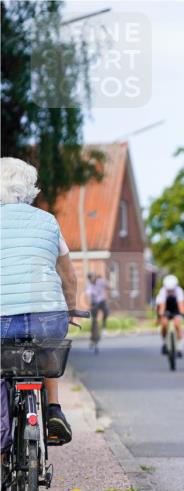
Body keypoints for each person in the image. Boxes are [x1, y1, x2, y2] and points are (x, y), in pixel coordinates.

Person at [0, 157, 79, 450]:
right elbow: (69, 276)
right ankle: (53, 409)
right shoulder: (48, 220)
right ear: (30, 187)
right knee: (46, 350)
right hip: (48, 314)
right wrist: (69, 310)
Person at [155, 274, 184, 356]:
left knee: (177, 324)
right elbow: (162, 305)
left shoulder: (179, 291)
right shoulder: (163, 291)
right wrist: (161, 315)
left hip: (175, 308)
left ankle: (179, 347)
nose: (170, 292)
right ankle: (165, 342)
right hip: (166, 308)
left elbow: (181, 304)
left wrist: (182, 314)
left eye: (172, 290)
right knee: (164, 324)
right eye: (169, 290)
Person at [86, 272, 109, 347]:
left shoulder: (100, 281)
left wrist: (103, 280)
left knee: (106, 311)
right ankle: (93, 337)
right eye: (91, 279)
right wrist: (89, 306)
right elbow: (88, 296)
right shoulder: (89, 286)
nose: (93, 280)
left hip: (101, 301)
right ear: (89, 279)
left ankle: (104, 328)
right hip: (94, 303)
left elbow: (109, 286)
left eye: (94, 277)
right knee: (94, 320)